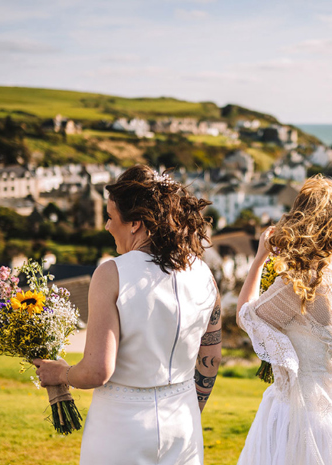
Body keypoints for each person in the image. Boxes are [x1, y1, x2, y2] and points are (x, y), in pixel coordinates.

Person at [34, 164, 221, 465]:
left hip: (122, 425)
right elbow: (210, 356)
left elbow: (98, 371)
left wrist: (60, 373)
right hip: (183, 422)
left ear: (134, 223)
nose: (107, 226)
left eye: (111, 217)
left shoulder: (112, 273)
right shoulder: (203, 273)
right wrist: (189, 408)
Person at [236, 176, 332, 465]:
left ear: (298, 221)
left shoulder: (296, 286)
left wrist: (259, 260)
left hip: (302, 415)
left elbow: (246, 316)